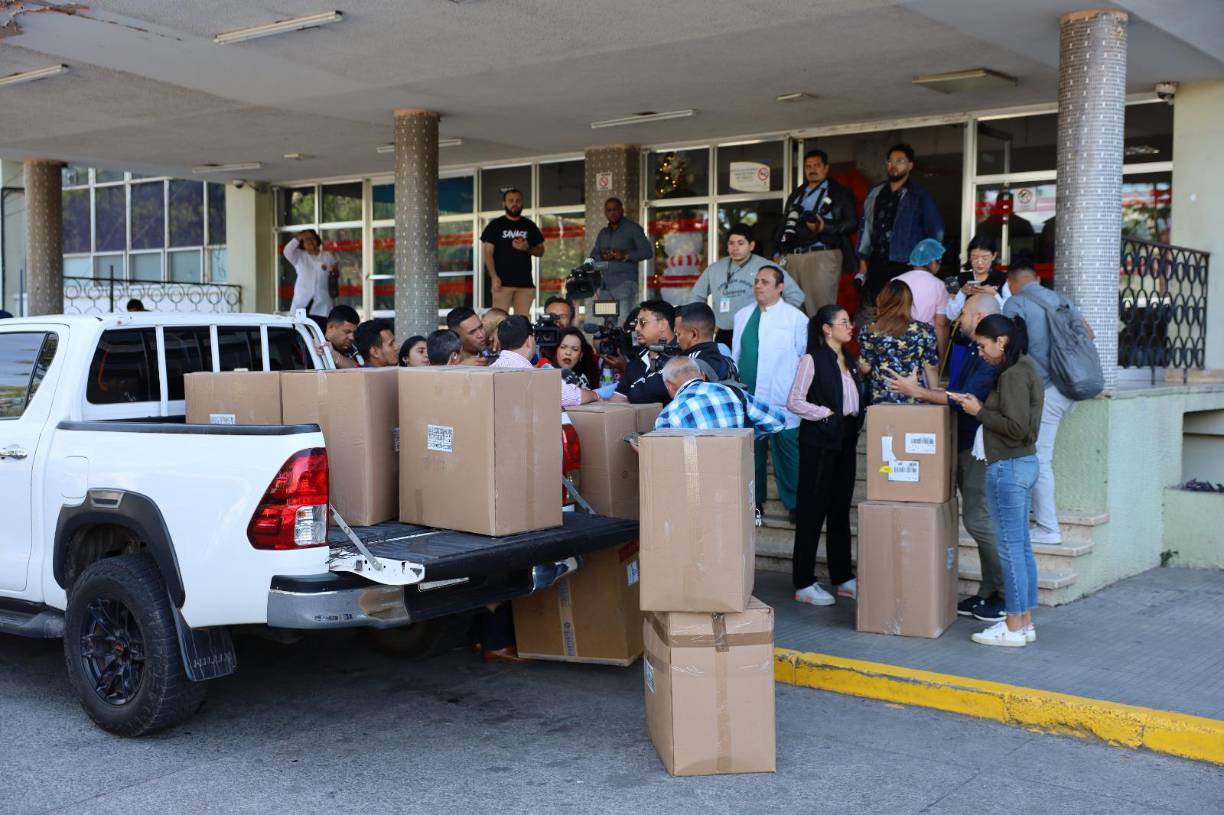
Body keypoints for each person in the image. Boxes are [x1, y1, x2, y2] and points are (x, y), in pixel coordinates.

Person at [885, 294, 1007, 622]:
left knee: (978, 520)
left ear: (979, 316)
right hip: (963, 443)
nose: (958, 319)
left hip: (980, 447)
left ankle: (1006, 595)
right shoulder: (973, 350)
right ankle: (988, 592)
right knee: (977, 519)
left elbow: (965, 398)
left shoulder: (991, 357)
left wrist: (919, 392)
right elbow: (955, 391)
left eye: (964, 313)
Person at [948, 314, 1044, 648]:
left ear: (1001, 342)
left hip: (1009, 466)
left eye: (982, 345)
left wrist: (978, 411)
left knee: (1012, 549)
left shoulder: (1014, 374)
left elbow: (1017, 428)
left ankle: (1014, 625)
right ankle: (1024, 622)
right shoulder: (1023, 368)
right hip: (1020, 463)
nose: (979, 351)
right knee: (1021, 548)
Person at [1001, 257, 1092, 545]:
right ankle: (1034, 512)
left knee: (1039, 456)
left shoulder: (1015, 303)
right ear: (1037, 279)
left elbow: (1009, 348)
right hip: (1069, 385)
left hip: (1045, 390)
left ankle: (1048, 528)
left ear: (1011, 284)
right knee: (1033, 452)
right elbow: (1089, 334)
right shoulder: (1063, 301)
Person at [787, 304, 864, 605]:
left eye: (850, 321)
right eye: (844, 322)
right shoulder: (812, 359)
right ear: (827, 328)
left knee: (840, 509)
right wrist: (825, 414)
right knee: (812, 511)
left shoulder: (850, 359)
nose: (850, 326)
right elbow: (794, 400)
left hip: (845, 439)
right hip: (819, 441)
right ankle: (803, 581)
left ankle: (842, 577)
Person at [732, 266, 808, 522]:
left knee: (788, 451)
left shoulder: (796, 318)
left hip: (782, 397)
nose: (758, 286)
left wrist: (799, 396)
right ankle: (754, 504)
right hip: (749, 397)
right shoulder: (742, 315)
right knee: (751, 453)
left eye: (765, 282)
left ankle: (796, 504)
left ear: (780, 287)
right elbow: (736, 355)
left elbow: (803, 359)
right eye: (756, 281)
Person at [686, 223, 805, 346]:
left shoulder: (766, 267)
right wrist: (703, 324)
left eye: (740, 243)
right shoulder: (714, 269)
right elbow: (695, 297)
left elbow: (796, 295)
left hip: (757, 331)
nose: (735, 248)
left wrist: (777, 320)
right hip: (724, 333)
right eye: (731, 243)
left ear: (751, 245)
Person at [855, 143, 944, 301]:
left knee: (904, 307)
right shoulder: (875, 193)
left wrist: (929, 262)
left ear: (910, 165)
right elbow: (866, 228)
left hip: (906, 263)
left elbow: (936, 230)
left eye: (899, 161)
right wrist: (863, 262)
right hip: (877, 262)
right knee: (877, 306)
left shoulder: (919, 194)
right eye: (890, 161)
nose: (893, 165)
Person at [775, 148, 858, 314]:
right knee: (793, 312)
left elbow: (852, 223)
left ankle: (821, 333)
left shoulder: (839, 192)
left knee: (820, 312)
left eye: (817, 165)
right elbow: (785, 224)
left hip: (822, 254)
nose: (812, 170)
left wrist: (824, 226)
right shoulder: (796, 194)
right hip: (793, 256)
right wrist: (779, 250)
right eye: (808, 166)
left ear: (826, 168)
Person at [653, 357, 786, 437]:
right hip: (738, 473)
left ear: (669, 385)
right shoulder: (735, 394)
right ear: (702, 374)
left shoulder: (667, 415)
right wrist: (746, 436)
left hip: (697, 475)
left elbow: (663, 456)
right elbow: (778, 421)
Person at [857, 280, 939, 405]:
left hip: (882, 398)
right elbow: (931, 367)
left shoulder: (870, 330)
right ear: (909, 302)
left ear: (882, 301)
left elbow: (865, 367)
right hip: (915, 397)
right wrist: (934, 396)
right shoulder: (925, 330)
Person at [491, 316, 598, 406]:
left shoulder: (489, 370)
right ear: (529, 340)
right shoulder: (532, 375)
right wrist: (595, 395)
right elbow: (572, 396)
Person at [586, 197, 654, 318]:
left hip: (624, 284)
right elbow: (593, 257)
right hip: (605, 286)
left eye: (615, 209)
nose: (612, 213)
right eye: (609, 210)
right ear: (605, 213)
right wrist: (601, 257)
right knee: (607, 323)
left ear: (622, 210)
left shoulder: (633, 229)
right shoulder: (603, 233)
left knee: (624, 321)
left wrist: (625, 255)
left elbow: (647, 252)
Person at [481, 188, 544, 315]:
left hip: (525, 284)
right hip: (501, 283)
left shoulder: (529, 225)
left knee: (522, 322)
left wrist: (527, 248)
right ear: (503, 203)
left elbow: (541, 251)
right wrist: (493, 276)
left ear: (522, 203)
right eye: (511, 201)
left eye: (518, 201)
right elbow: (487, 253)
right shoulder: (495, 225)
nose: (515, 204)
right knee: (498, 320)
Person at [610, 300, 675, 405]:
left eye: (642, 322)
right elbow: (617, 401)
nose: (636, 328)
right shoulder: (637, 361)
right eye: (636, 323)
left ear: (663, 324)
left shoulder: (682, 356)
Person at [895, 238, 952, 357]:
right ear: (933, 262)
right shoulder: (940, 286)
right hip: (924, 348)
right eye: (939, 261)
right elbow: (941, 324)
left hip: (894, 344)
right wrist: (943, 357)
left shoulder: (895, 281)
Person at [947, 234, 1007, 321]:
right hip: (966, 329)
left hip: (993, 328)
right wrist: (962, 293)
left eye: (985, 258)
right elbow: (951, 315)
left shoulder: (1003, 279)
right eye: (974, 257)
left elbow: (1009, 313)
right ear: (969, 257)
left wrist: (994, 294)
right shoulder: (959, 279)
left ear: (994, 256)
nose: (979, 262)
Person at [283, 228, 337, 324]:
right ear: (301, 243)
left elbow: (336, 274)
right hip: (302, 300)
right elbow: (287, 251)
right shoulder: (298, 255)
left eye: (312, 238)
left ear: (317, 240)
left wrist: (333, 270)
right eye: (306, 239)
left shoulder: (327, 256)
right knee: (300, 327)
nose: (310, 241)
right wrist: (299, 237)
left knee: (321, 327)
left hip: (322, 301)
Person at [673, 302, 736, 381]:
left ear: (694, 335)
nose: (677, 340)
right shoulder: (729, 362)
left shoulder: (689, 364)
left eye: (678, 334)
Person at [323, 304, 361, 369]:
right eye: (347, 332)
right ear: (331, 327)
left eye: (354, 333)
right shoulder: (313, 345)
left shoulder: (353, 347)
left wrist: (333, 354)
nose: (352, 337)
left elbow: (359, 369)